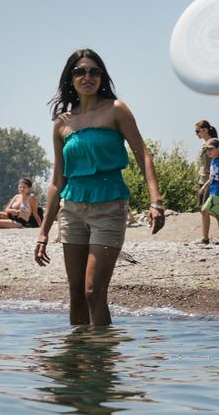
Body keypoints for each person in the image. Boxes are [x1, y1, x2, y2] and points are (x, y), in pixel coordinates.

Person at [35, 49, 166, 326]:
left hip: (109, 207)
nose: (87, 77)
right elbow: (58, 180)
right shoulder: (62, 123)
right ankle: (75, 364)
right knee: (76, 294)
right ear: (70, 79)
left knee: (93, 291)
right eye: (80, 71)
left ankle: (100, 364)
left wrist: (156, 201)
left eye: (94, 71)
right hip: (71, 211)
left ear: (102, 77)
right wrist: (43, 233)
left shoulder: (116, 110)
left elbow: (143, 153)